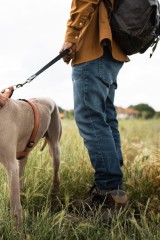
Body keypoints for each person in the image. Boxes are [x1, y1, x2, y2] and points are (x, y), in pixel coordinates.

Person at [61, 0, 128, 220]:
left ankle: (108, 193)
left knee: (91, 120)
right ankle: (115, 188)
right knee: (106, 119)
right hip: (112, 51)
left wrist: (70, 37)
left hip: (93, 49)